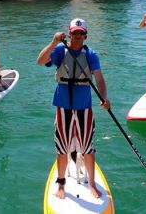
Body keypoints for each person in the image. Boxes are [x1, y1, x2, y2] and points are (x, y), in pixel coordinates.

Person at [36, 18, 110, 199]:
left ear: (86, 34)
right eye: (75, 32)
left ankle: (91, 183)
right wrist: (53, 42)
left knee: (87, 147)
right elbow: (40, 61)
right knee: (62, 147)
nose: (78, 36)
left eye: (81, 32)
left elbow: (99, 78)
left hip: (84, 107)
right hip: (63, 107)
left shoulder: (91, 54)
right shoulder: (60, 50)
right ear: (70, 34)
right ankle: (61, 183)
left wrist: (104, 97)